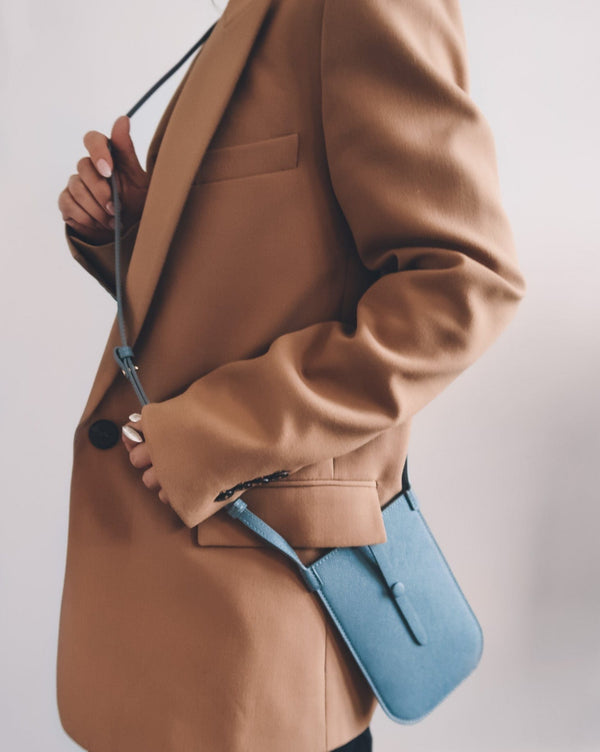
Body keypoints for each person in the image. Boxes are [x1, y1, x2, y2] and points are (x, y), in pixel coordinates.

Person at [56, 0, 527, 750]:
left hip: (257, 621)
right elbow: (268, 280)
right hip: (178, 621)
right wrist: (138, 234)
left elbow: (462, 287)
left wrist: (218, 432)